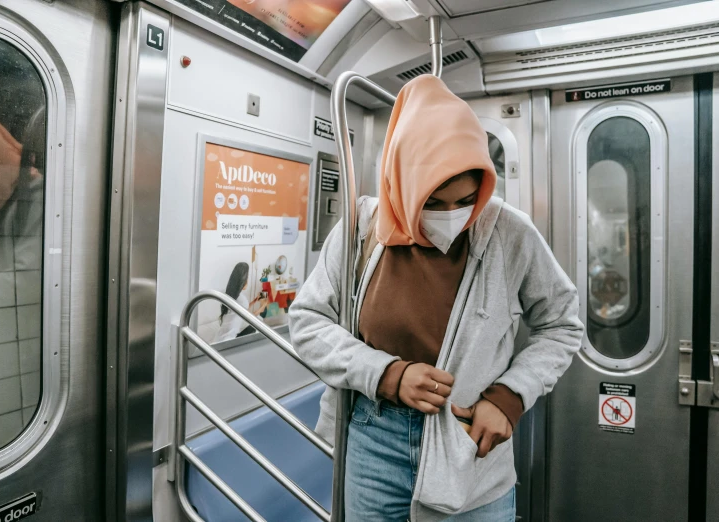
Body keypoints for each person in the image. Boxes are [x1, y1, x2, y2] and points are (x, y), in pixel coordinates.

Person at [289, 75, 583, 521]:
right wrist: (387, 373)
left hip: (468, 446)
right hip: (374, 435)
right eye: (433, 202)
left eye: (465, 200)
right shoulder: (362, 227)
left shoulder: (509, 233)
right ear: (403, 186)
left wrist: (509, 397)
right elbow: (308, 322)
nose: (452, 217)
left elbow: (561, 325)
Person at [213, 262, 268, 343]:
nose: (248, 281)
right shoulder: (242, 300)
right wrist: (264, 306)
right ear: (242, 280)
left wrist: (253, 302)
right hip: (229, 340)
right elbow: (251, 318)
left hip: (219, 338)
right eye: (247, 278)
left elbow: (239, 309)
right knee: (259, 321)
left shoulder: (229, 293)